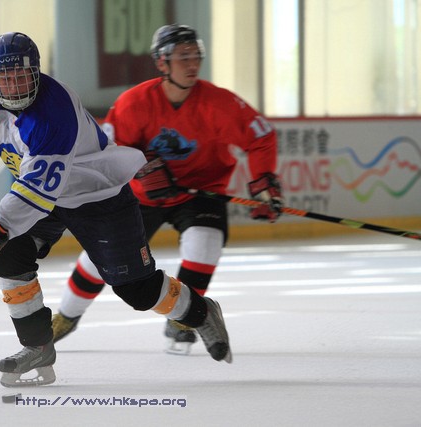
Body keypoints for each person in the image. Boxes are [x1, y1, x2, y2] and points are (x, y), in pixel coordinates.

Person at [0, 31, 232, 387]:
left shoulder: (54, 113)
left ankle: (202, 312)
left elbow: (35, 192)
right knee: (8, 254)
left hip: (97, 196)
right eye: (6, 78)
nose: (15, 87)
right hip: (42, 195)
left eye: (22, 76)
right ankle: (37, 346)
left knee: (136, 289)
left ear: (37, 73)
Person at [51, 24, 283, 355]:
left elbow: (261, 136)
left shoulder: (220, 104)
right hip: (140, 197)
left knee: (205, 243)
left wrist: (263, 185)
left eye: (196, 56)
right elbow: (108, 150)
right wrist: (142, 170)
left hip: (201, 192)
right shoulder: (134, 103)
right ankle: (66, 315)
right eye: (182, 57)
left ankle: (184, 318)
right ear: (162, 62)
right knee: (99, 257)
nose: (192, 64)